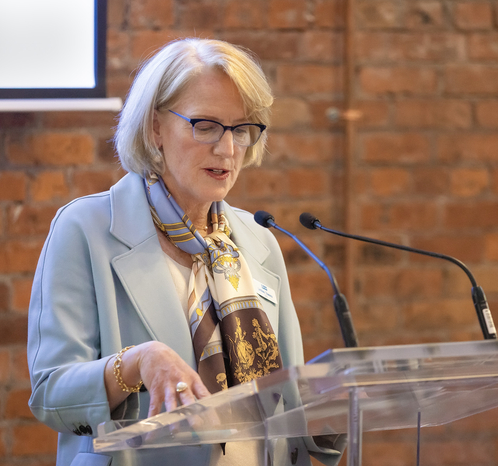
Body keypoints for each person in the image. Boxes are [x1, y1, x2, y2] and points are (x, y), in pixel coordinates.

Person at [27, 38, 344, 466]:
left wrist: (341, 404)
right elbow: (51, 395)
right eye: (206, 125)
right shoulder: (86, 230)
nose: (228, 149)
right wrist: (137, 363)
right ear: (155, 127)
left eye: (242, 129)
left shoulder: (258, 238)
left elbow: (287, 407)